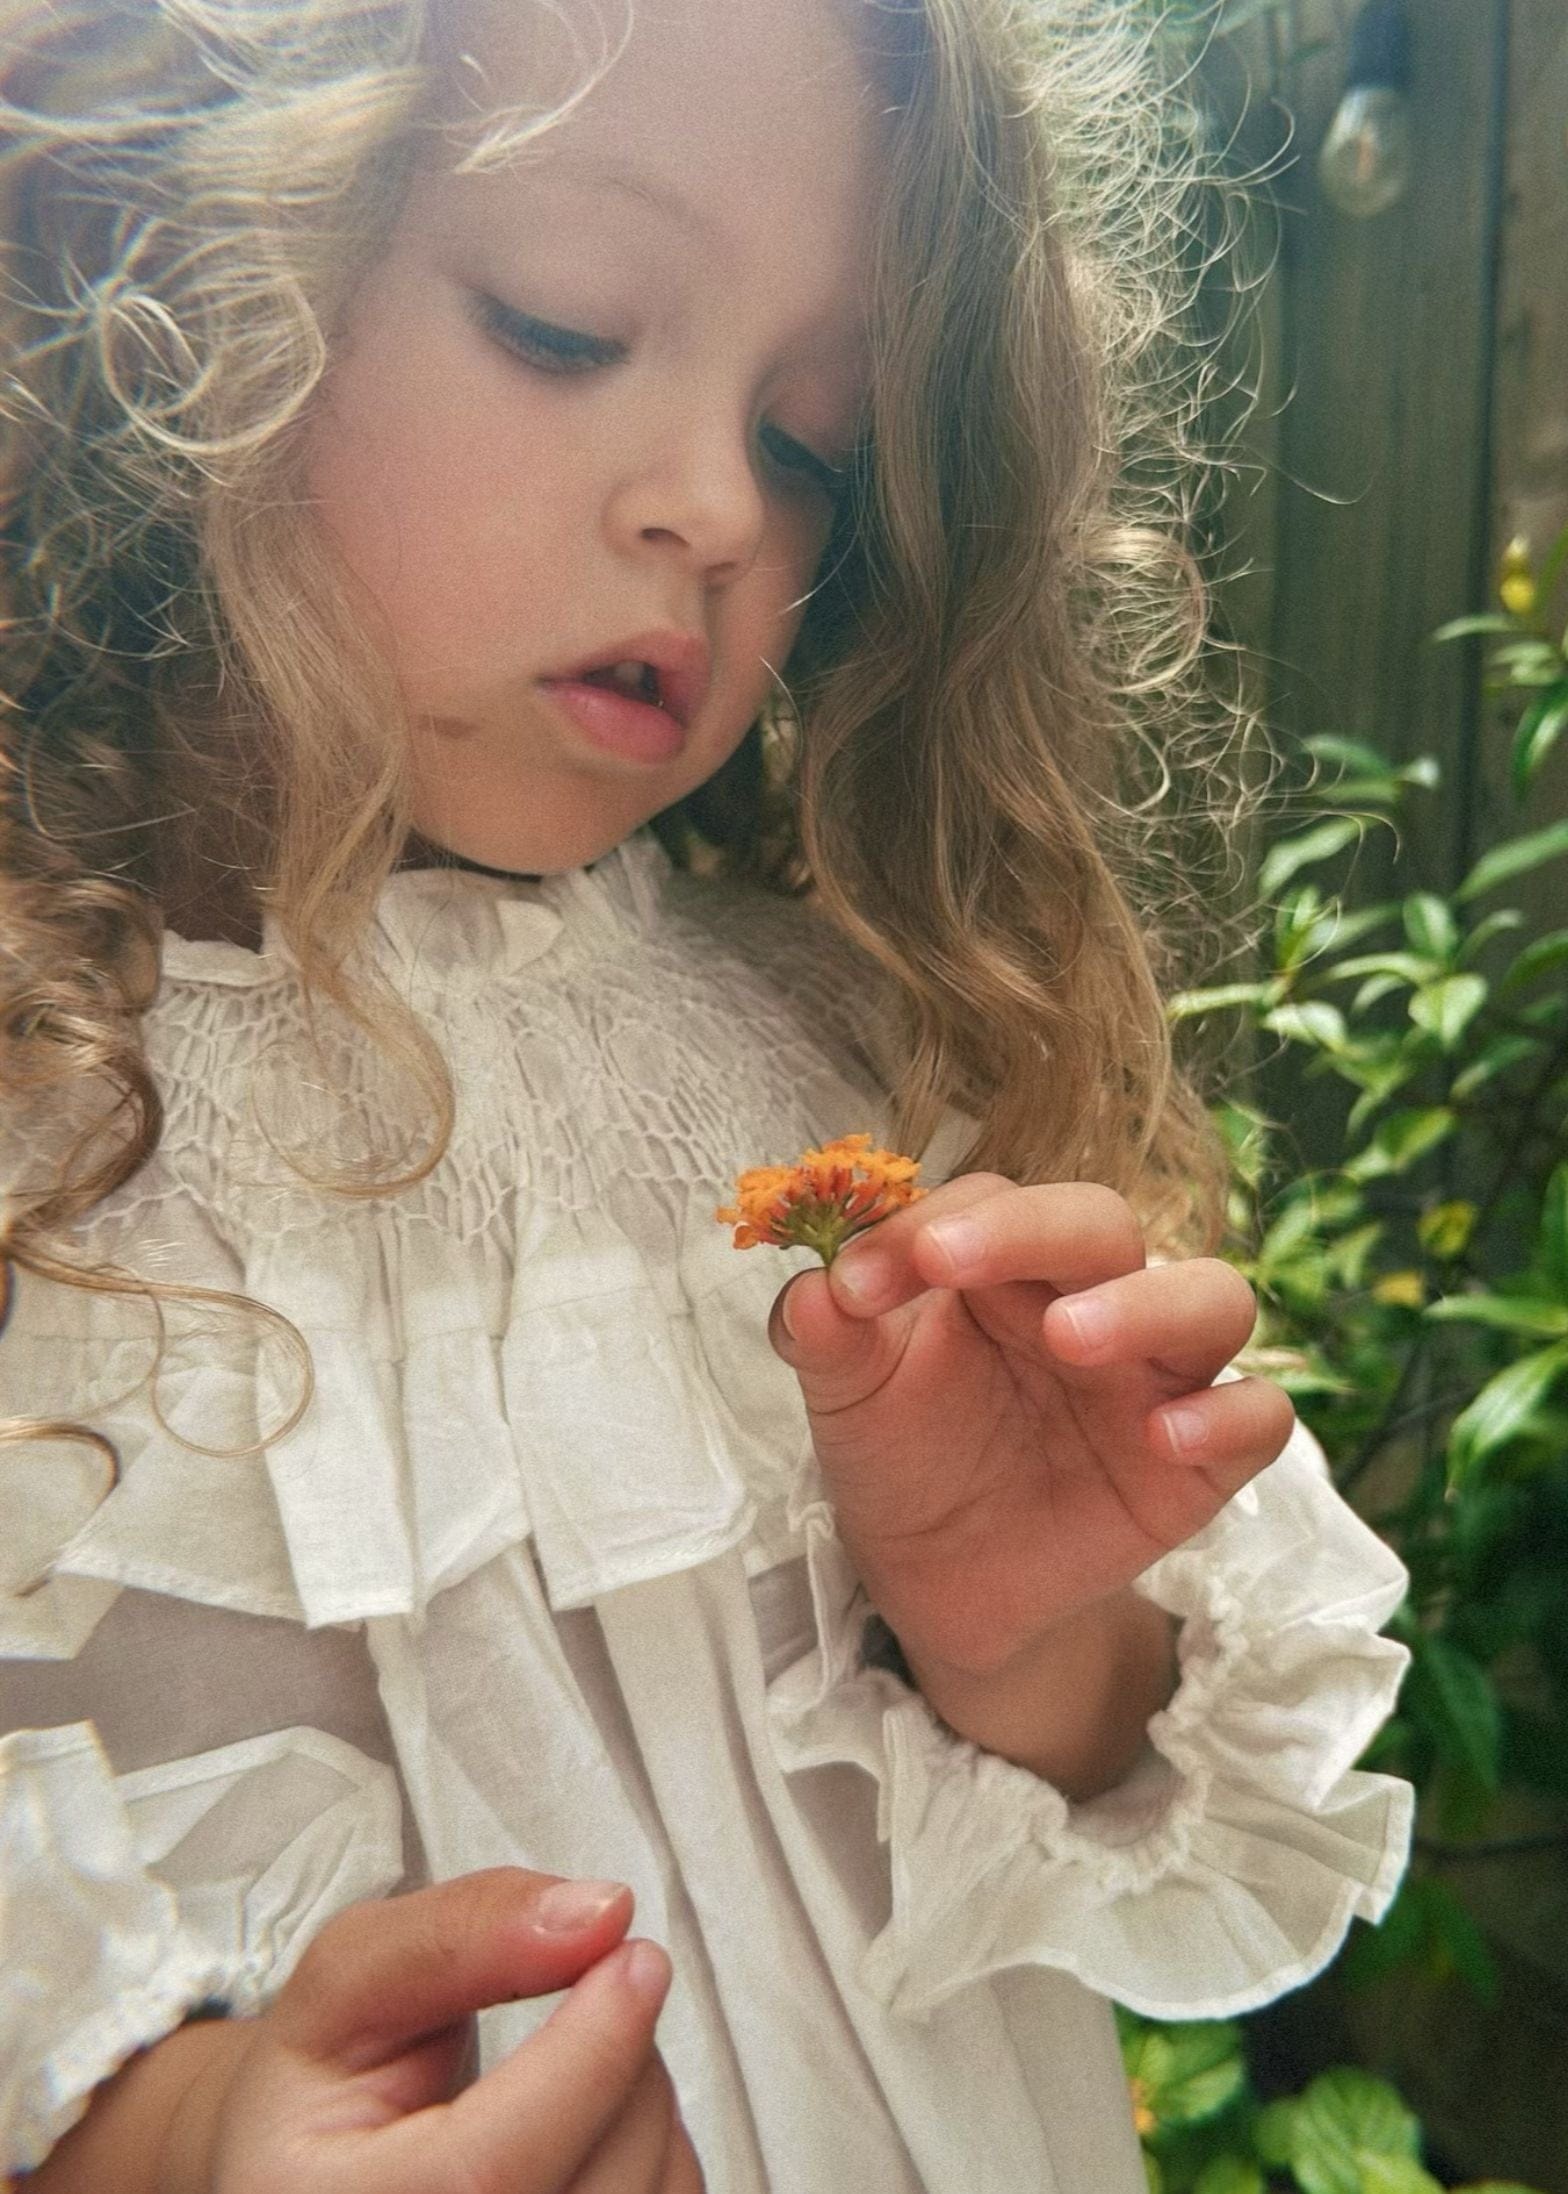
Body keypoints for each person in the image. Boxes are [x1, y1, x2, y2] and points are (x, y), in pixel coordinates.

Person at [0, 0, 1414, 2187]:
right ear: (173, 263)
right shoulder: (40, 1117)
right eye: (566, 326)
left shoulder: (818, 1074)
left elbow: (1151, 1858)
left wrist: (1013, 1624)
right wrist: (173, 2141)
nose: (720, 501)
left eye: (818, 437)